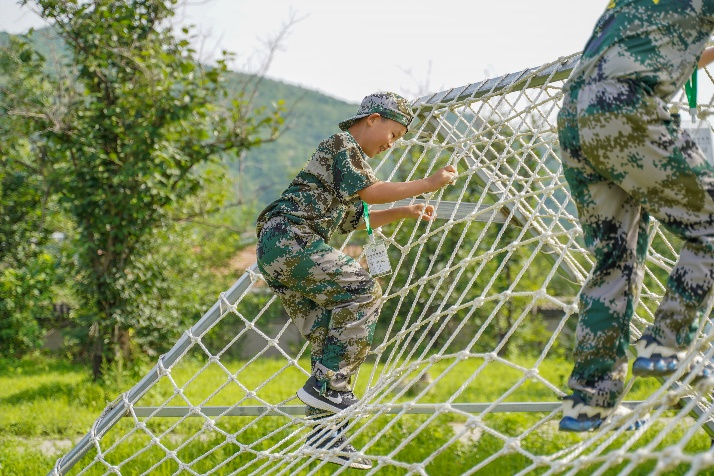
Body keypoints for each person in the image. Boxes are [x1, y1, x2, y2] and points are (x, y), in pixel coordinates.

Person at [255, 91, 456, 466]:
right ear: (372, 119)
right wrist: (427, 184)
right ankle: (330, 389)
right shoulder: (341, 145)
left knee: (329, 338)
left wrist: (405, 211)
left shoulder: (347, 169)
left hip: (280, 250)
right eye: (393, 135)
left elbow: (357, 218)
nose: (391, 145)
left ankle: (325, 437)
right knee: (364, 289)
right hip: (290, 239)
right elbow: (372, 193)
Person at [557, 0, 714, 433]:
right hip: (625, 105)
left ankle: (590, 401)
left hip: (574, 112)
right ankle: (668, 342)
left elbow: (658, 47)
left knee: (615, 260)